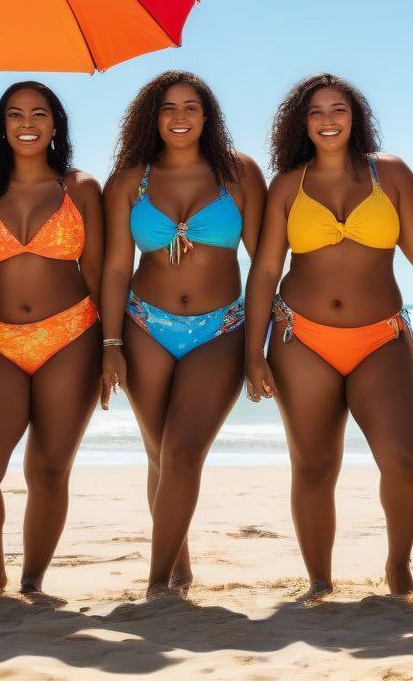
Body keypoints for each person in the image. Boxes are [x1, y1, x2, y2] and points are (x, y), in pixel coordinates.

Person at [245, 73, 413, 603]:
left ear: (356, 117)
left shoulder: (390, 173)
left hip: (381, 338)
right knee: (314, 465)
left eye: (339, 110)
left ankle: (398, 566)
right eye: (316, 112)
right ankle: (320, 580)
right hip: (300, 337)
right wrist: (253, 353)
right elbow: (263, 272)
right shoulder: (288, 184)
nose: (328, 121)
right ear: (301, 123)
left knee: (405, 462)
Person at [101, 71, 266, 597]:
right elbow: (112, 268)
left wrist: (258, 346)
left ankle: (155, 585)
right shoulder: (131, 180)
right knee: (160, 452)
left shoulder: (239, 174)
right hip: (145, 325)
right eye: (168, 107)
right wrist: (110, 345)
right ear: (152, 117)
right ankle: (180, 567)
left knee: (182, 452)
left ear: (207, 115)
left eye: (191, 106)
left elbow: (263, 265)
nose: (179, 117)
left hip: (220, 329)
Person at [0, 81, 104, 597]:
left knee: (49, 468)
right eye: (15, 115)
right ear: (2, 125)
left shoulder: (80, 188)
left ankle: (33, 581)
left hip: (73, 335)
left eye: (39, 114)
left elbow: (99, 273)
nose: (27, 123)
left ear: (56, 124)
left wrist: (112, 349)